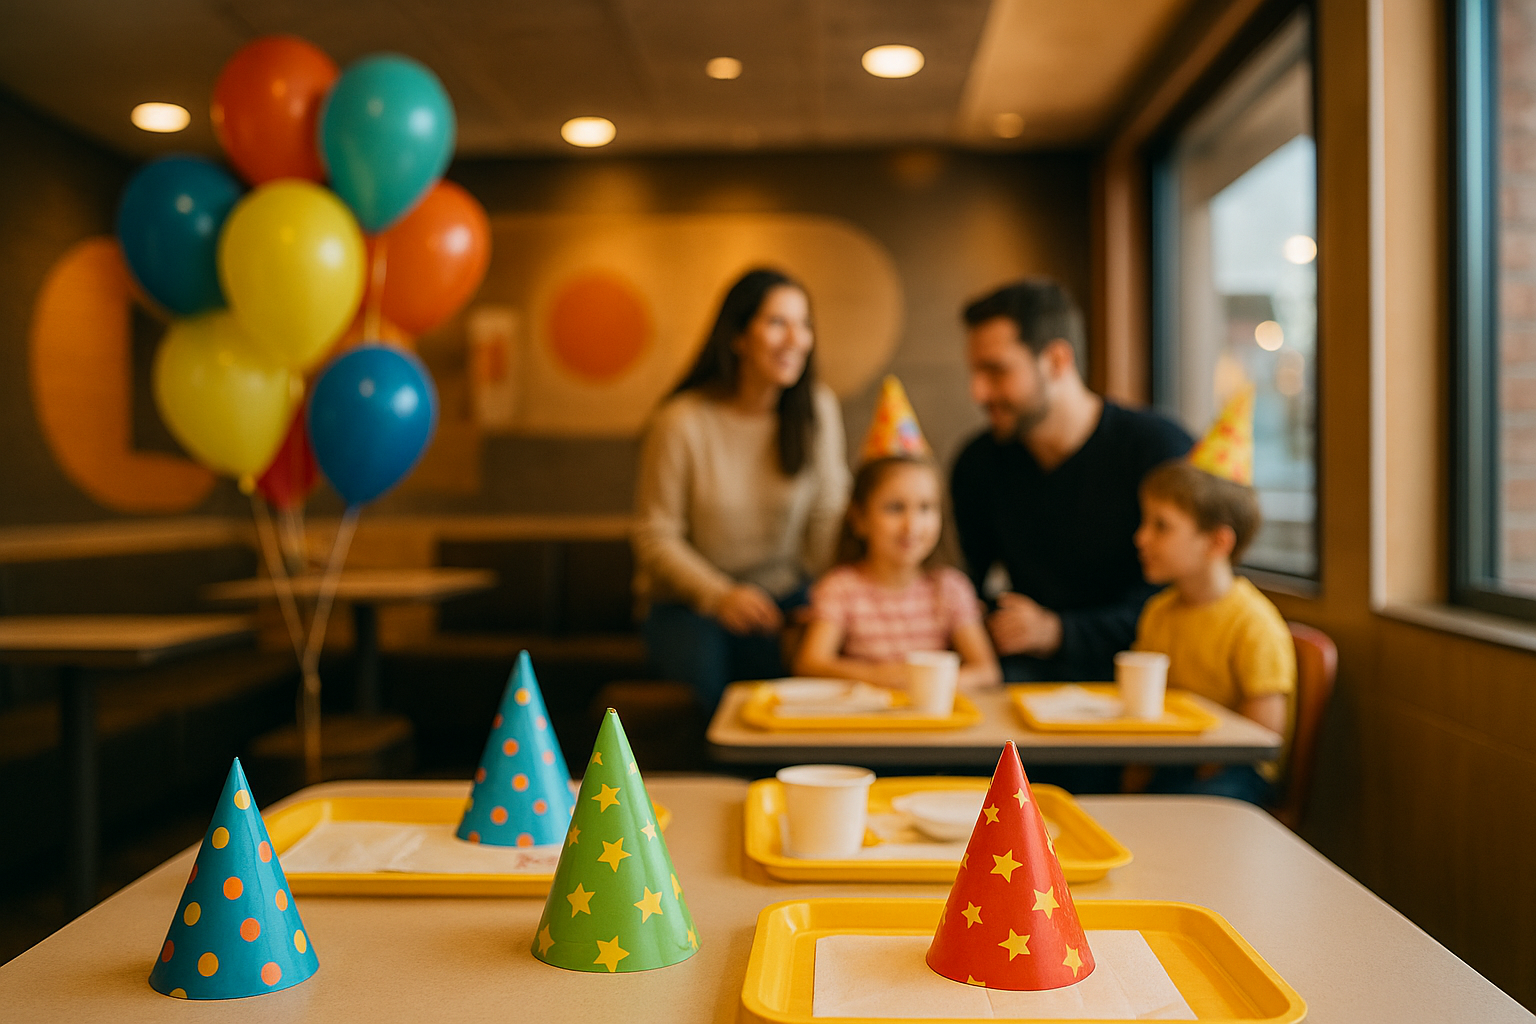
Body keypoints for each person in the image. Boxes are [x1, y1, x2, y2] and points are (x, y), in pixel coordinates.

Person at [950, 279, 1192, 683]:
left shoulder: (1156, 449)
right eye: (975, 372)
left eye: (996, 371)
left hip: (1146, 676)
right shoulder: (978, 463)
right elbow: (965, 584)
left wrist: (1058, 631)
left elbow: (1181, 595)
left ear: (1057, 360)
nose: (978, 392)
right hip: (1019, 677)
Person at [632, 268, 850, 712]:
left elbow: (829, 515)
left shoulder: (818, 412)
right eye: (777, 323)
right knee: (710, 683)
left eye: (804, 324)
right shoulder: (681, 421)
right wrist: (720, 596)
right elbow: (655, 536)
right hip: (690, 602)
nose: (796, 339)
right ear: (737, 337)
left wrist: (830, 596)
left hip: (785, 595)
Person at [1129, 391, 1296, 803]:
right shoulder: (1159, 612)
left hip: (1233, 774)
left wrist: (1207, 765)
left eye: (1161, 526)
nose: (1141, 538)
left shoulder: (1254, 623)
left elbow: (1263, 735)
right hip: (1172, 762)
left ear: (1217, 541)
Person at [794, 455, 1001, 690]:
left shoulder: (950, 587)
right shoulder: (840, 587)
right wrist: (877, 676)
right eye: (895, 508)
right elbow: (810, 663)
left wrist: (927, 685)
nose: (911, 525)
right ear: (860, 518)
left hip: (931, 721)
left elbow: (987, 672)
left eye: (926, 508)